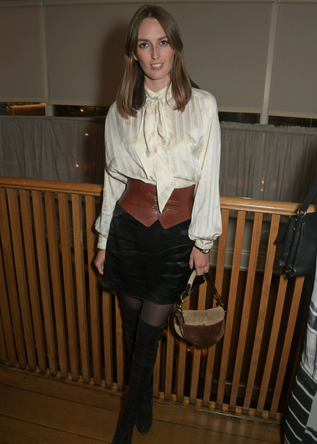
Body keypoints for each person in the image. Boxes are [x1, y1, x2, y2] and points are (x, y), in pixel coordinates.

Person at [94, 5, 222, 444]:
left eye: (162, 42)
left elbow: (209, 179)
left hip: (177, 236)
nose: (154, 54)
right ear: (133, 51)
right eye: (144, 44)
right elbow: (112, 183)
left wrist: (202, 242)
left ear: (175, 47)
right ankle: (142, 400)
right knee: (132, 330)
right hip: (128, 229)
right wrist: (103, 241)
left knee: (149, 336)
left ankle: (124, 428)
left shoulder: (203, 106)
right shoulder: (119, 111)